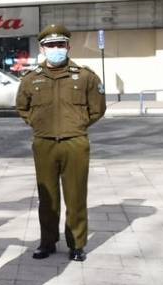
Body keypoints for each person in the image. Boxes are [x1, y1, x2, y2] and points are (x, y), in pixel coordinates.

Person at [16, 24, 106, 262]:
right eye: (50, 45)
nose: (56, 49)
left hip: (75, 142)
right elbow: (22, 108)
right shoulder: (30, 78)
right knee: (47, 198)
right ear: (42, 49)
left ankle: (76, 244)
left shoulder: (85, 76)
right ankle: (47, 242)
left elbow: (97, 109)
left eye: (60, 45)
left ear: (68, 47)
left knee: (76, 196)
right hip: (44, 143)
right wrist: (38, 124)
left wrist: (77, 125)